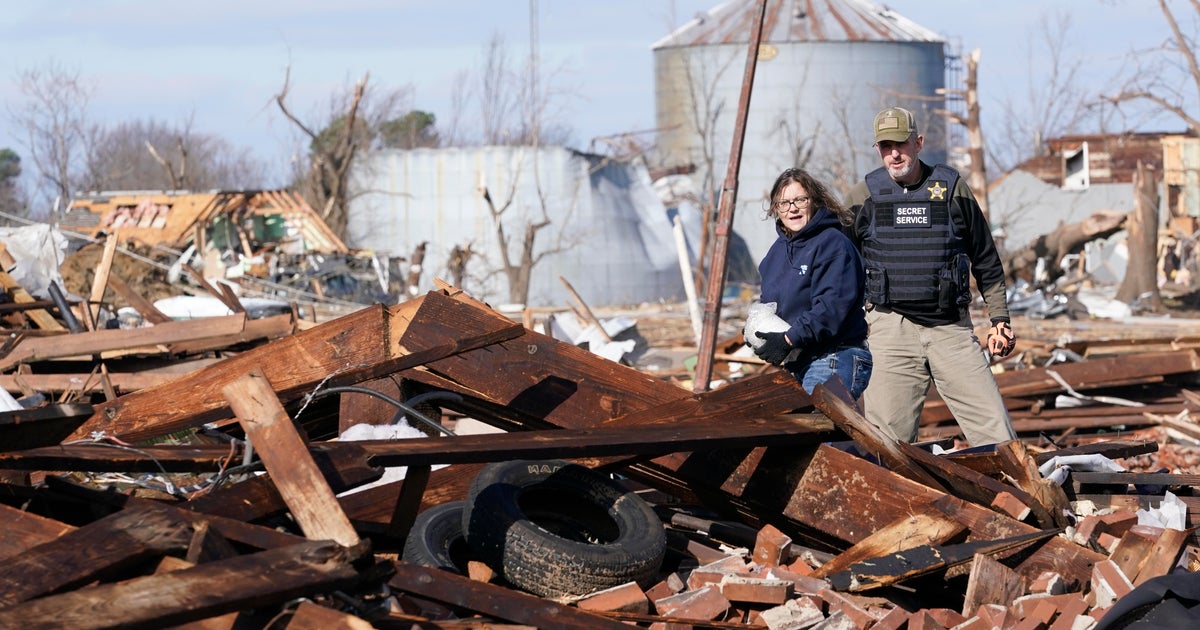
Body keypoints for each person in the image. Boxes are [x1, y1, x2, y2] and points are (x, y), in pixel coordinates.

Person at [845, 105, 1017, 447]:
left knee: (996, 433)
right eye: (886, 146)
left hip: (949, 328)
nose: (895, 154)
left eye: (902, 144)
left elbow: (985, 258)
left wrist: (999, 318)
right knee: (885, 447)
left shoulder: (951, 188)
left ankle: (1018, 499)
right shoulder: (864, 195)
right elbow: (836, 259)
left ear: (918, 142)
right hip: (890, 330)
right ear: (877, 149)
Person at [750, 167, 872, 399]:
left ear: (814, 201)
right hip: (800, 359)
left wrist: (788, 339)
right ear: (776, 208)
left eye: (800, 200)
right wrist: (757, 330)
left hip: (835, 356)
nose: (792, 208)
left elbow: (830, 309)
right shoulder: (776, 253)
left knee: (815, 430)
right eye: (784, 202)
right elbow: (771, 305)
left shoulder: (833, 245)